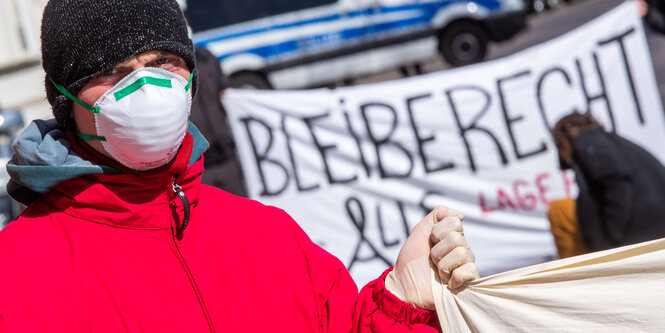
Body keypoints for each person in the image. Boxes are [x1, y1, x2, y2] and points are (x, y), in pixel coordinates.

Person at [0, 1, 479, 331]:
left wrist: (398, 303)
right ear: (65, 101)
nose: (147, 89)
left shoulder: (269, 234)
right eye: (113, 72)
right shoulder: (19, 275)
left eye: (165, 61)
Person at [548, 111, 665, 258]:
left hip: (642, 233)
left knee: (559, 210)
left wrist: (610, 242)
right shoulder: (612, 142)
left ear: (564, 142)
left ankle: (578, 277)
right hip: (651, 229)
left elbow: (617, 182)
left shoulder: (588, 142)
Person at [189, 44, 247, 197]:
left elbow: (226, 91)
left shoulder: (205, 57)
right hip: (197, 166)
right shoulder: (167, 65)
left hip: (226, 156)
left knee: (241, 213)